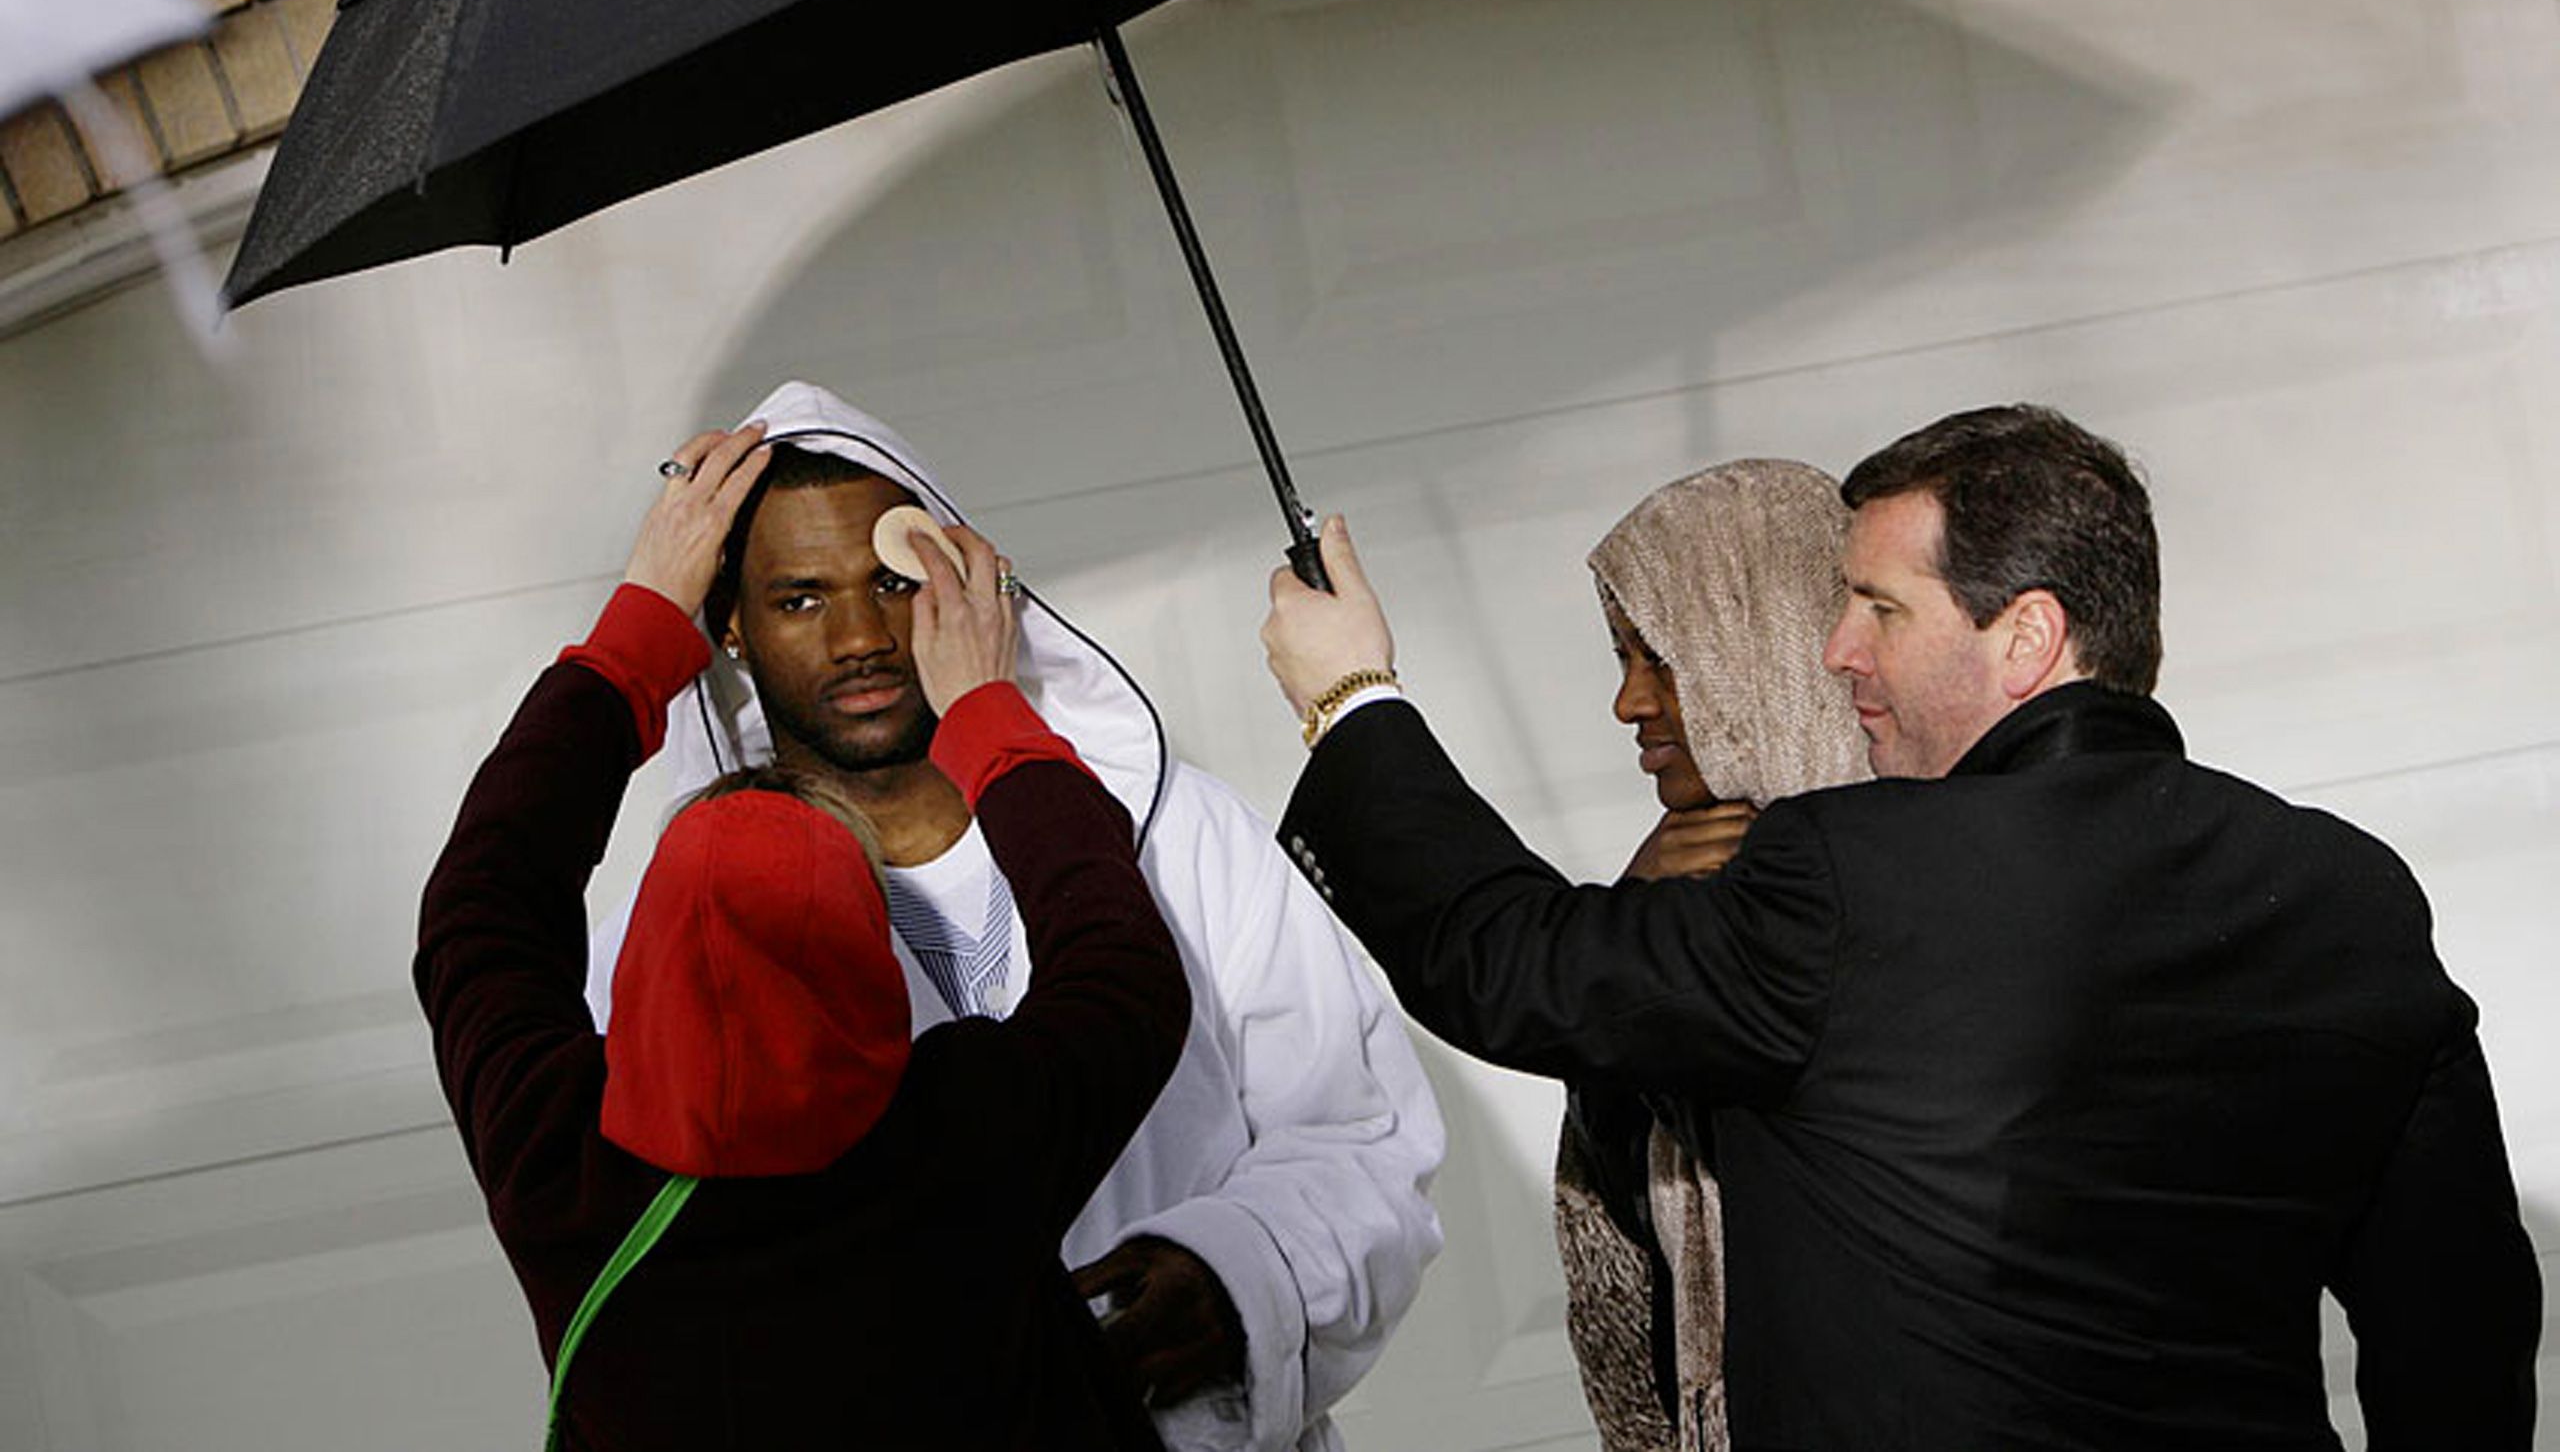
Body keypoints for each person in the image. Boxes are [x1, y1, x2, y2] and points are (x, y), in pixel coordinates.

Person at [1262, 405, 2541, 1450]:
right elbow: (2459, 1332)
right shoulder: (2347, 891)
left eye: (1879, 607)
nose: (1832, 649)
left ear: (2026, 634)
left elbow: (1513, 965)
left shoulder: (1843, 875)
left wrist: (1350, 697)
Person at [584, 382, 1444, 1452]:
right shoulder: (680, 936)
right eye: (801, 598)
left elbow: (1361, 1133)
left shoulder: (1175, 833)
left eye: (895, 581)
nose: (858, 634)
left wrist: (1240, 1273)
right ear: (733, 632)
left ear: (966, 588)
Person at [415, 423, 1191, 1448]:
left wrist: (633, 637)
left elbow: (483, 897)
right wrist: (989, 716)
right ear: (871, 960)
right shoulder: (968, 1137)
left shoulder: (556, 1163)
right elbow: (1122, 964)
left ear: (644, 960)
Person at [1558, 461, 1870, 1452]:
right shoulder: (1670, 893)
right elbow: (1616, 1214)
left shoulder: (1916, 877)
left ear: (1763, 645)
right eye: (1621, 658)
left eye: (1662, 657)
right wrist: (1633, 932)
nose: (1630, 703)